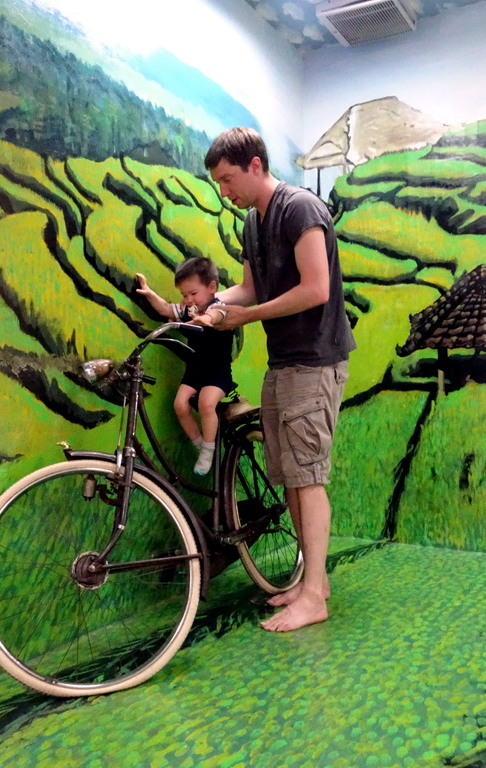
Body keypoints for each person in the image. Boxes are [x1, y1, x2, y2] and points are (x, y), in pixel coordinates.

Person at [198, 127, 355, 633]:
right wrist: (214, 308)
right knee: (289, 473)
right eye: (219, 183)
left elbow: (316, 289)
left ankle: (314, 596)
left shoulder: (300, 209)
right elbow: (247, 287)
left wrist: (247, 317)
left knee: (308, 477)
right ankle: (314, 583)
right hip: (282, 361)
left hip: (314, 360)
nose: (225, 191)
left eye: (228, 179)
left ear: (257, 165)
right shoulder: (252, 222)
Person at [135, 257, 235, 474]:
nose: (188, 300)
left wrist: (207, 318)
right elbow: (165, 310)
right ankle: (200, 445)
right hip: (195, 369)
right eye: (184, 295)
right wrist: (149, 292)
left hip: (217, 372)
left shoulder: (218, 307)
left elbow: (218, 315)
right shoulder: (189, 310)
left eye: (193, 294)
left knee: (206, 404)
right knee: (180, 405)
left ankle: (209, 450)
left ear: (212, 287)